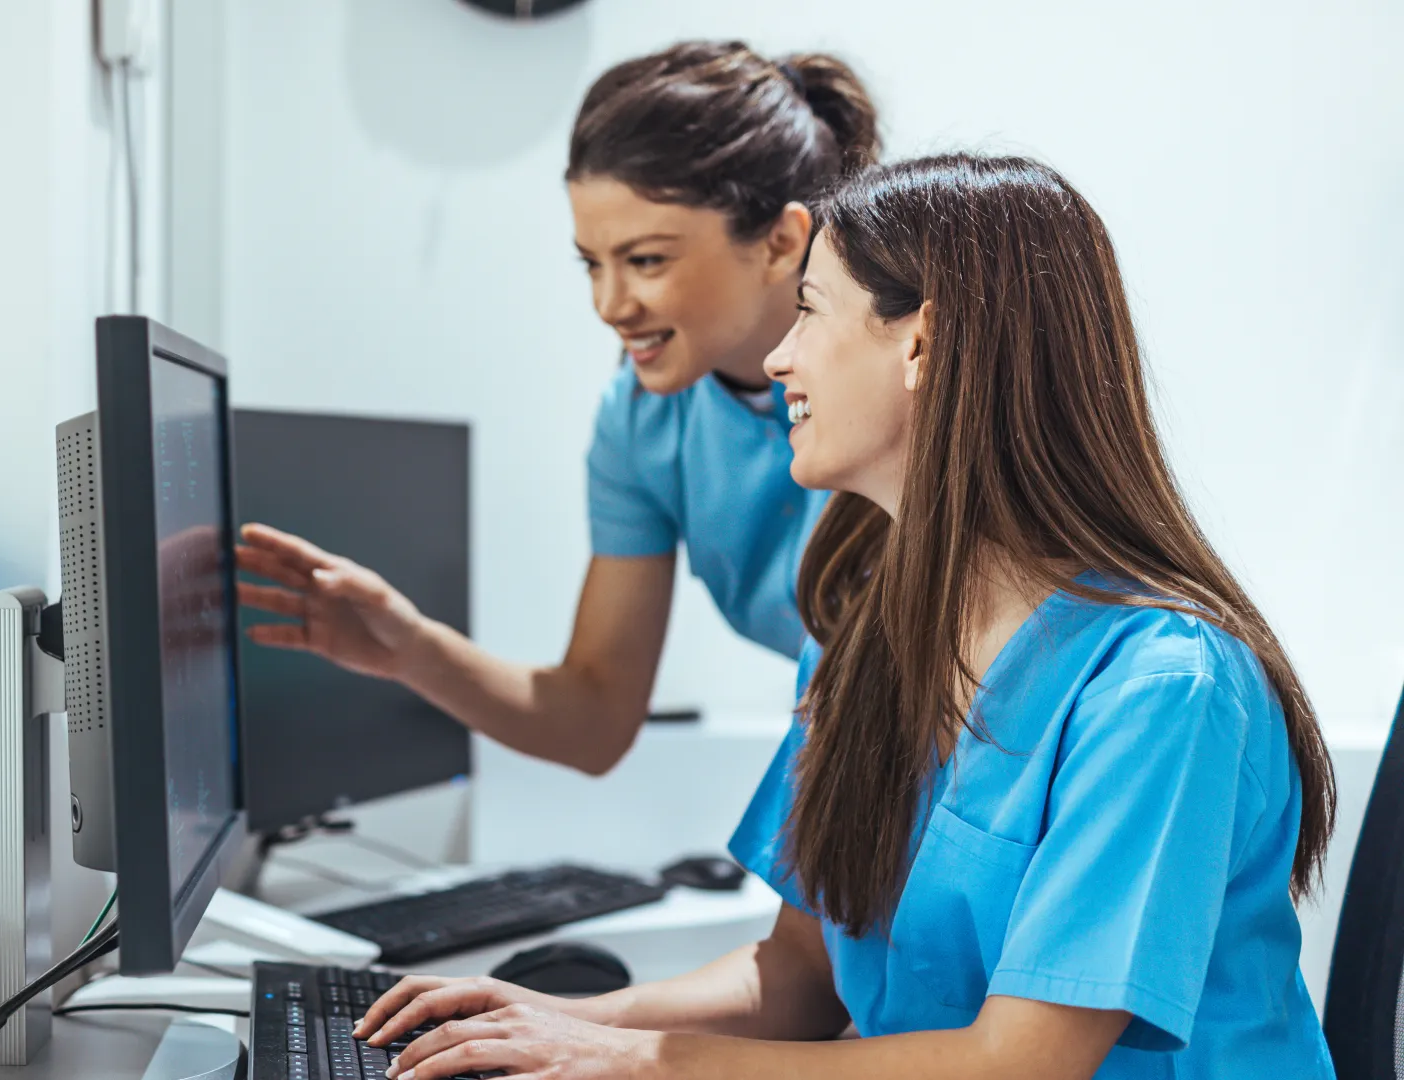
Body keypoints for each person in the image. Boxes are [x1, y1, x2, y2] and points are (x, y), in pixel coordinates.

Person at [347, 154, 1339, 1080]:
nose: (779, 359)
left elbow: (1019, 1063)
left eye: (810, 312)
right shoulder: (859, 634)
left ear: (924, 341)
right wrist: (553, 1021)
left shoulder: (1161, 688)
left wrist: (652, 1063)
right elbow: (795, 979)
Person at [236, 41, 879, 775]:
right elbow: (596, 718)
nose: (609, 306)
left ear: (781, 241)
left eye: (646, 261)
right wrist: (411, 649)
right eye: (591, 263)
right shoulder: (641, 422)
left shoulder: (906, 391)